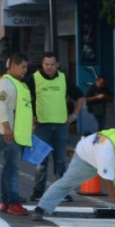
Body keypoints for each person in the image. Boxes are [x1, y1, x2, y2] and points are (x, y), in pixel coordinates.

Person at [32, 128, 115, 225]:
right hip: (86, 157)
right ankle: (41, 207)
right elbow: (108, 181)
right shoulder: (107, 152)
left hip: (102, 154)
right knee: (67, 182)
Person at [25, 51, 85, 202]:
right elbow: (23, 98)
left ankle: (61, 193)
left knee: (60, 161)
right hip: (41, 126)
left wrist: (74, 116)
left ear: (57, 65)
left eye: (52, 64)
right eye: (46, 64)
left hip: (60, 126)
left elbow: (80, 97)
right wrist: (30, 117)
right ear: (42, 64)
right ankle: (38, 192)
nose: (49, 67)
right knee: (41, 161)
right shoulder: (34, 79)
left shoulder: (64, 79)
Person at [0, 53, 32, 216]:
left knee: (9, 168)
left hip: (17, 133)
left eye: (26, 67)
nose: (25, 70)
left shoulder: (17, 84)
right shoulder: (6, 84)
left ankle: (7, 201)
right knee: (12, 169)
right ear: (13, 66)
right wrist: (7, 128)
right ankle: (13, 202)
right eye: (23, 67)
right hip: (8, 133)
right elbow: (1, 107)